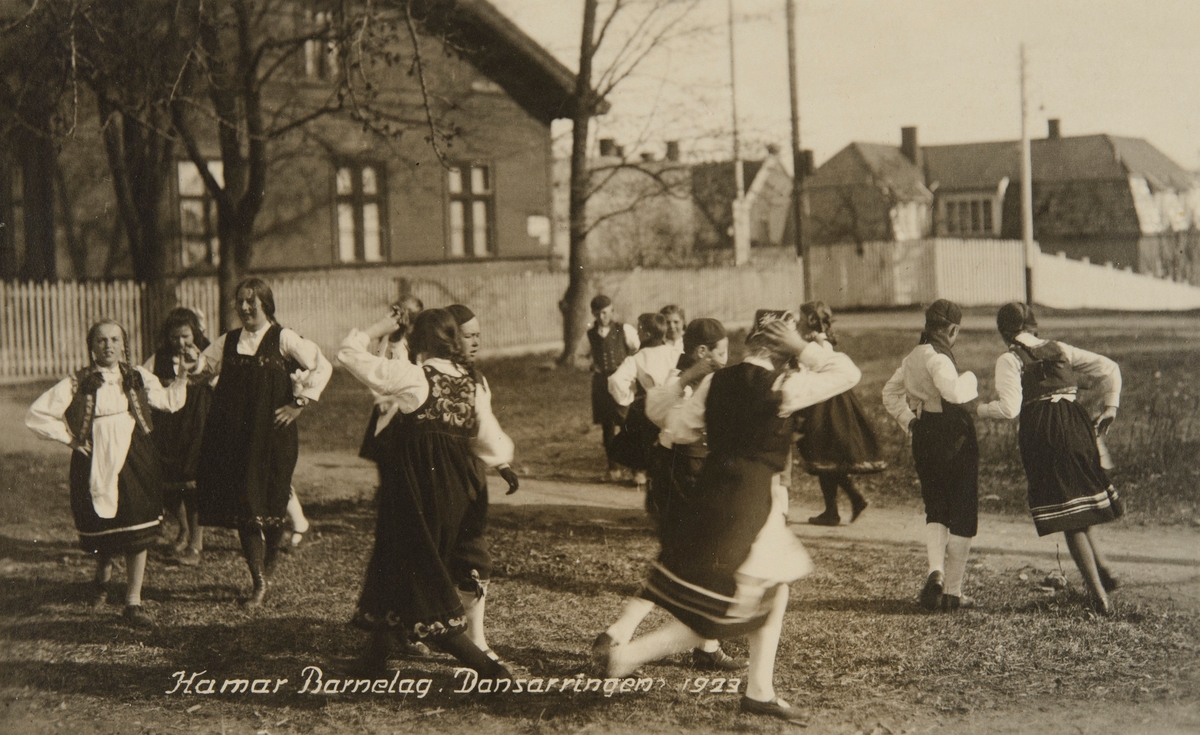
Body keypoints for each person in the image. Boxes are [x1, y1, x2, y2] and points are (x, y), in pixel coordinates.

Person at [600, 310, 862, 724]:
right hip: (752, 503)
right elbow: (846, 373)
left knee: (773, 590)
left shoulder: (715, 381)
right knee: (729, 610)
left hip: (717, 492)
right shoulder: (784, 385)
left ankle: (759, 690)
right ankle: (628, 655)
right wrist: (803, 348)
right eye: (790, 347)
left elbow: (671, 422)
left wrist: (688, 380)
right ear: (781, 350)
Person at [338, 308, 516, 679]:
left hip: (414, 495)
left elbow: (349, 356)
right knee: (393, 565)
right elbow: (489, 440)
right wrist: (503, 462)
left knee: (420, 574)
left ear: (421, 343)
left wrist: (377, 328)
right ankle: (373, 660)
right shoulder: (471, 383)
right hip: (454, 497)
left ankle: (488, 669)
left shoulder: (413, 377)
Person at [593, 317, 744, 673]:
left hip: (691, 470)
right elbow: (663, 417)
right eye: (722, 353)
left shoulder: (701, 377)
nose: (726, 359)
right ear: (702, 352)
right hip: (683, 473)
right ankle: (620, 634)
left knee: (693, 560)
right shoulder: (684, 379)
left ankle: (703, 646)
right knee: (691, 559)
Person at [26, 320, 188, 627]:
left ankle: (133, 602)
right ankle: (102, 575)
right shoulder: (78, 381)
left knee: (137, 522)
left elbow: (168, 402)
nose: (109, 345)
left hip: (134, 453)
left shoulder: (137, 375)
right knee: (104, 522)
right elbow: (37, 414)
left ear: (123, 344)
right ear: (92, 346)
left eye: (115, 339)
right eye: (101, 340)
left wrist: (181, 377)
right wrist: (70, 438)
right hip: (95, 454)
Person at [976, 302, 1124, 615]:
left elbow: (1009, 409)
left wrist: (977, 409)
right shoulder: (1060, 349)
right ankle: (1104, 570)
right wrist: (1110, 407)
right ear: (1034, 327)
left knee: (1070, 515)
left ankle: (1098, 597)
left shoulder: (1009, 358)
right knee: (1079, 502)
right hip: (1076, 425)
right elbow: (1110, 368)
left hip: (1045, 432)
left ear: (1005, 333)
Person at [195, 278, 333, 607]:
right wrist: (192, 369)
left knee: (273, 502)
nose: (244, 307)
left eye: (251, 301)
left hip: (274, 437)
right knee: (246, 508)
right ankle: (258, 580)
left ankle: (267, 571)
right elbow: (202, 368)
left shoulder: (283, 338)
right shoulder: (228, 341)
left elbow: (321, 365)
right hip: (234, 438)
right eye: (240, 301)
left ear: (265, 304)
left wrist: (299, 405)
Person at [881, 299, 979, 611]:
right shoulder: (939, 358)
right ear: (952, 329)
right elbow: (954, 392)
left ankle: (935, 571)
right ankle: (952, 591)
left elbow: (889, 393)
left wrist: (910, 421)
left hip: (924, 434)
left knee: (935, 507)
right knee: (963, 510)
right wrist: (972, 378)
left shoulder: (913, 356)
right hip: (952, 437)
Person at [444, 303, 521, 658]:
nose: (476, 342)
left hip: (469, 476)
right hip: (440, 475)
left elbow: (485, 428)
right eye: (468, 335)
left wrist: (502, 465)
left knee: (471, 558)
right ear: (449, 336)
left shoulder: (476, 377)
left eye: (478, 335)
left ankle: (472, 637)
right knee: (451, 556)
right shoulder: (426, 374)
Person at [794, 301, 886, 526]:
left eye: (800, 317)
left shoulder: (817, 341)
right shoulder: (815, 339)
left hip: (827, 403)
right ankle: (840, 506)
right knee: (826, 458)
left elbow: (816, 367)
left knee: (825, 456)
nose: (797, 322)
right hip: (827, 400)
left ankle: (841, 506)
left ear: (811, 320)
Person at [144, 307, 214, 566]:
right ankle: (183, 529)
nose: (181, 343)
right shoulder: (157, 359)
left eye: (185, 336)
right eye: (175, 338)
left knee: (194, 483)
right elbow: (143, 384)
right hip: (167, 427)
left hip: (197, 424)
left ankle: (196, 543)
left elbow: (220, 384)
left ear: (194, 333)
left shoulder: (207, 354)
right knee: (169, 485)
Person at [608, 313, 676, 492]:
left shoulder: (637, 358)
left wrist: (627, 398)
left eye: (639, 329)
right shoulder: (675, 352)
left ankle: (645, 476)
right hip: (674, 407)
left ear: (646, 334)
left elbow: (615, 381)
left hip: (650, 407)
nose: (637, 333)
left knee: (646, 444)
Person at [578, 295, 640, 482]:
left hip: (622, 381)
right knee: (608, 426)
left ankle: (636, 469)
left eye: (605, 312)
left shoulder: (625, 329)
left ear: (612, 311)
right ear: (593, 314)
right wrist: (589, 366)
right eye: (598, 313)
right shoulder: (589, 335)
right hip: (601, 384)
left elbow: (638, 349)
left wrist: (630, 367)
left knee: (627, 422)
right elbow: (578, 358)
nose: (602, 316)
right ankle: (613, 468)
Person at [358, 294, 423, 466]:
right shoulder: (390, 339)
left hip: (413, 400)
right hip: (392, 400)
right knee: (389, 454)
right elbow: (377, 366)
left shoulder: (418, 341)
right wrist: (381, 399)